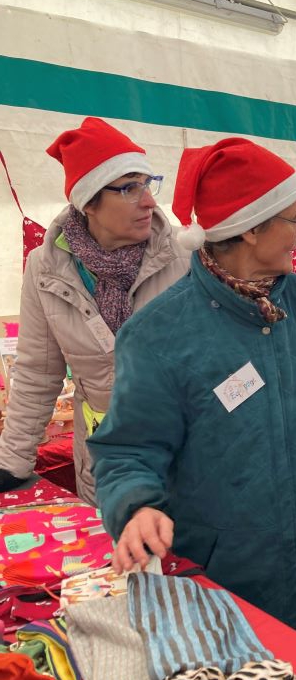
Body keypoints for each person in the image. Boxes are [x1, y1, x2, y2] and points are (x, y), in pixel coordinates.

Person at [87, 137, 296, 646]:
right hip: (225, 589)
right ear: (250, 229)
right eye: (295, 219)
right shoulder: (160, 333)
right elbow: (129, 448)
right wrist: (137, 506)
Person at [0, 117, 189, 504]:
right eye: (129, 188)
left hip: (188, 462)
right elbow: (38, 373)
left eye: (149, 183)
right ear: (88, 203)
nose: (150, 200)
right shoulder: (47, 267)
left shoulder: (184, 258)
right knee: (117, 563)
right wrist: (12, 462)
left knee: (186, 563)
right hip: (105, 463)